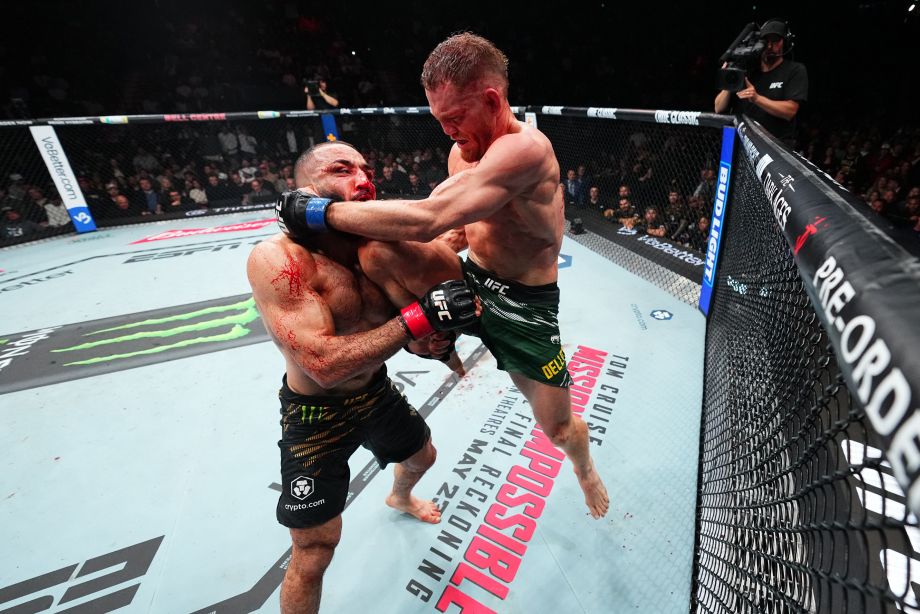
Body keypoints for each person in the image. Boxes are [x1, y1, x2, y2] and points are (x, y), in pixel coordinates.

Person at [278, 32, 609, 519]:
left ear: (492, 100)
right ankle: (436, 341)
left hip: (525, 302)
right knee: (379, 250)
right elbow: (454, 231)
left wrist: (318, 212)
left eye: (455, 117)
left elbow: (428, 218)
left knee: (559, 428)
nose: (448, 130)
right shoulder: (463, 151)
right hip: (472, 278)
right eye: (439, 119)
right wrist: (419, 302)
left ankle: (585, 469)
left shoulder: (525, 150)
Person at [248, 141, 476, 614]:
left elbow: (404, 332)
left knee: (424, 456)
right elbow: (324, 365)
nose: (364, 179)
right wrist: (419, 318)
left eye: (367, 170)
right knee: (314, 550)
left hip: (373, 390)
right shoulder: (279, 259)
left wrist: (430, 340)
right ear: (304, 191)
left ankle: (399, 497)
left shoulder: (377, 250)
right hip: (314, 411)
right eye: (342, 169)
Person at [714, 19, 808, 147]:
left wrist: (757, 98)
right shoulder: (748, 70)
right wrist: (731, 76)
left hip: (774, 148)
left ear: (784, 43)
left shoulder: (794, 70)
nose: (769, 46)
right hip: (741, 145)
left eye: (775, 41)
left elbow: (790, 111)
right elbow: (718, 108)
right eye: (766, 41)